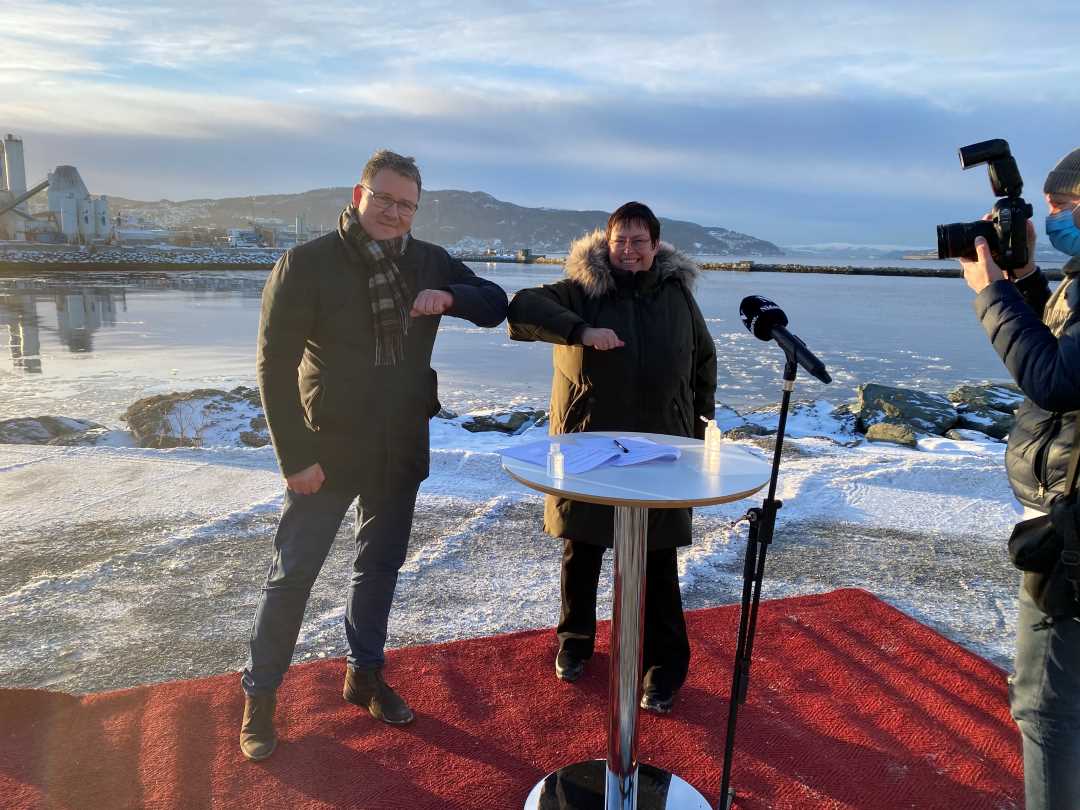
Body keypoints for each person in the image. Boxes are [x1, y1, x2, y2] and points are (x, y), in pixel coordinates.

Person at [239, 150, 508, 761]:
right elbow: (273, 369)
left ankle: (363, 674)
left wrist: (449, 297)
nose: (393, 213)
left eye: (406, 204)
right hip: (327, 448)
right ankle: (261, 695)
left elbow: (495, 302)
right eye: (383, 199)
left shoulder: (427, 261)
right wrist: (294, 458)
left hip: (399, 444)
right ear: (358, 196)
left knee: (380, 566)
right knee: (293, 576)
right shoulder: (305, 264)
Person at [506, 201, 717, 713]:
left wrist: (699, 437)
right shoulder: (582, 288)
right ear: (606, 241)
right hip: (589, 448)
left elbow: (703, 362)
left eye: (640, 241)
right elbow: (521, 308)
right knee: (584, 549)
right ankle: (575, 643)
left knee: (656, 561)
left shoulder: (676, 296)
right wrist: (580, 330)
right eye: (621, 239)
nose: (629, 250)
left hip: (659, 452)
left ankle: (662, 668)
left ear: (656, 246)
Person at [960, 147, 1080, 809]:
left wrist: (992, 294)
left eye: (1062, 208)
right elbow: (1068, 351)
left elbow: (1058, 380)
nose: (1055, 218)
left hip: (1074, 535)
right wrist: (1030, 278)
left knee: (1048, 710)